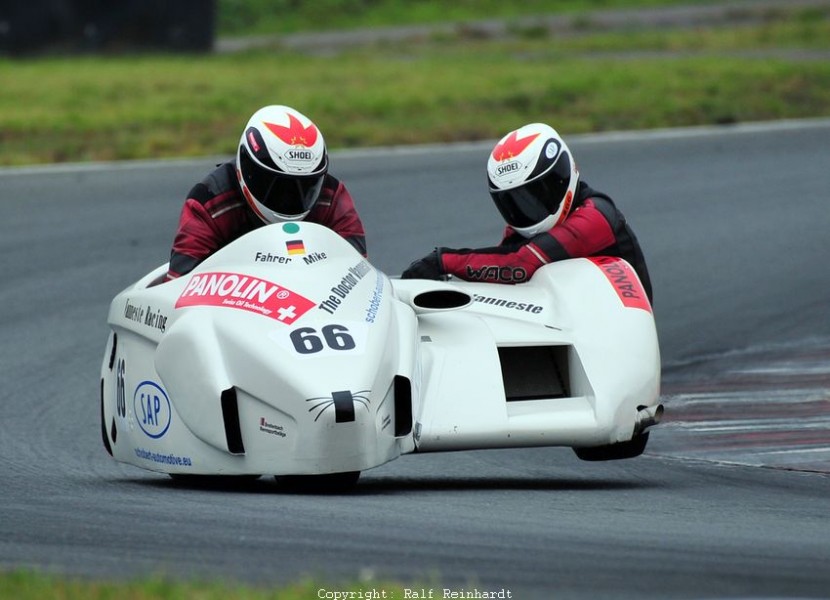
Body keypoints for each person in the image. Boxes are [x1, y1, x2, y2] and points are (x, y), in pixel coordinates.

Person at [401, 122, 653, 302]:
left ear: (560, 176)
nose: (526, 210)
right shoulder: (520, 227)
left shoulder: (595, 216)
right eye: (514, 202)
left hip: (616, 328)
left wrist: (443, 260)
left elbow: (519, 265)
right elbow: (502, 277)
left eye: (535, 195)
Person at [163, 105, 366, 282]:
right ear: (248, 168)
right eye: (279, 186)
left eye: (306, 186)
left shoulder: (331, 196)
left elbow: (359, 272)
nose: (290, 197)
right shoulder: (210, 202)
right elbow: (180, 285)